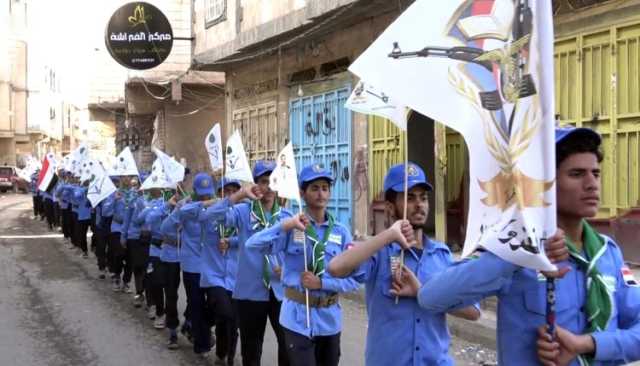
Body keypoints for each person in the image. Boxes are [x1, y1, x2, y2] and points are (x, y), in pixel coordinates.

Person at [411, 127, 640, 366]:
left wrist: (589, 344)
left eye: (596, 173)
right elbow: (431, 297)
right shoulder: (514, 252)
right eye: (577, 174)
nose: (592, 184)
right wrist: (518, 253)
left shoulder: (607, 254)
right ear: (545, 185)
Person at [328, 162, 480, 366]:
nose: (420, 205)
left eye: (423, 198)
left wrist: (422, 292)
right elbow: (335, 268)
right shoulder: (378, 252)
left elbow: (473, 311)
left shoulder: (441, 255)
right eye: (410, 198)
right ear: (390, 207)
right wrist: (389, 234)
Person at [246, 163, 361, 366]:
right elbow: (252, 245)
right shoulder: (292, 226)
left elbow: (354, 280)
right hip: (296, 319)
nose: (320, 194)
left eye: (325, 188)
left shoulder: (341, 232)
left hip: (329, 320)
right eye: (314, 188)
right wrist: (286, 225)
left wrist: (322, 284)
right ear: (302, 193)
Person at [201, 160, 289, 366]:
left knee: (286, 344)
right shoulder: (242, 211)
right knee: (251, 348)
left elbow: (294, 253)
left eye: (273, 181)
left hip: (280, 290)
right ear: (255, 185)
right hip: (251, 292)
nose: (269, 187)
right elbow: (209, 218)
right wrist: (239, 195)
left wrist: (287, 269)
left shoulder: (286, 216)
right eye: (264, 182)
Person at [164, 173, 215, 358]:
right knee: (197, 302)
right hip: (192, 265)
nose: (205, 198)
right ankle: (201, 344)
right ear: (194, 192)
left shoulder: (216, 205)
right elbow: (165, 227)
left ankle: (192, 323)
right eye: (202, 194)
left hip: (212, 265)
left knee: (217, 304)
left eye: (208, 194)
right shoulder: (184, 206)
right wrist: (178, 211)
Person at [197, 178, 242, 366]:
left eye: (234, 191)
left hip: (235, 277)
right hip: (214, 275)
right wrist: (225, 202)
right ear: (220, 193)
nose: (231, 194)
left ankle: (225, 356)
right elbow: (202, 217)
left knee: (231, 323)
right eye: (227, 190)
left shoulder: (244, 214)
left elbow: (251, 238)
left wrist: (231, 242)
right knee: (225, 313)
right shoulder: (211, 212)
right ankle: (200, 322)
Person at [159, 188, 184, 350]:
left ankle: (191, 323)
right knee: (171, 295)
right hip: (170, 257)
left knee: (196, 298)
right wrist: (173, 208)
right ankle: (173, 330)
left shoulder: (199, 205)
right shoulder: (166, 206)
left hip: (192, 258)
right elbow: (163, 228)